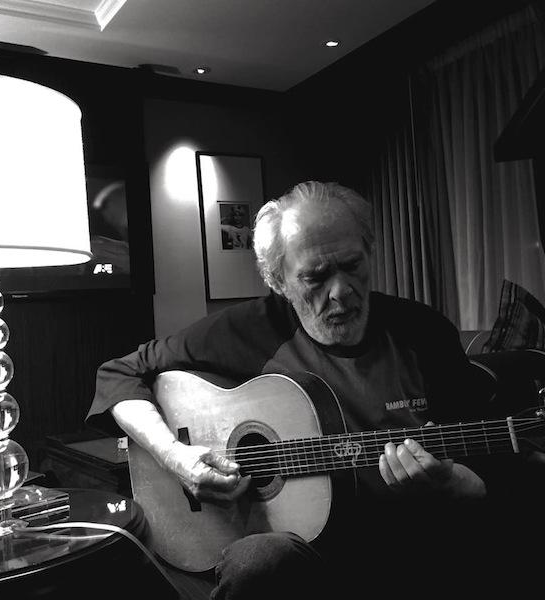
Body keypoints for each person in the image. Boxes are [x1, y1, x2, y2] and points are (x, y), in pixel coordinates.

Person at [87, 181, 541, 598]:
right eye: (316, 276)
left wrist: (455, 483)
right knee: (258, 562)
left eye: (352, 266)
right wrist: (176, 458)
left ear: (370, 252)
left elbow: (492, 454)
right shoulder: (246, 331)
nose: (341, 291)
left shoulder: (423, 332)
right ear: (278, 281)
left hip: (409, 541)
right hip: (308, 556)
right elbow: (119, 373)